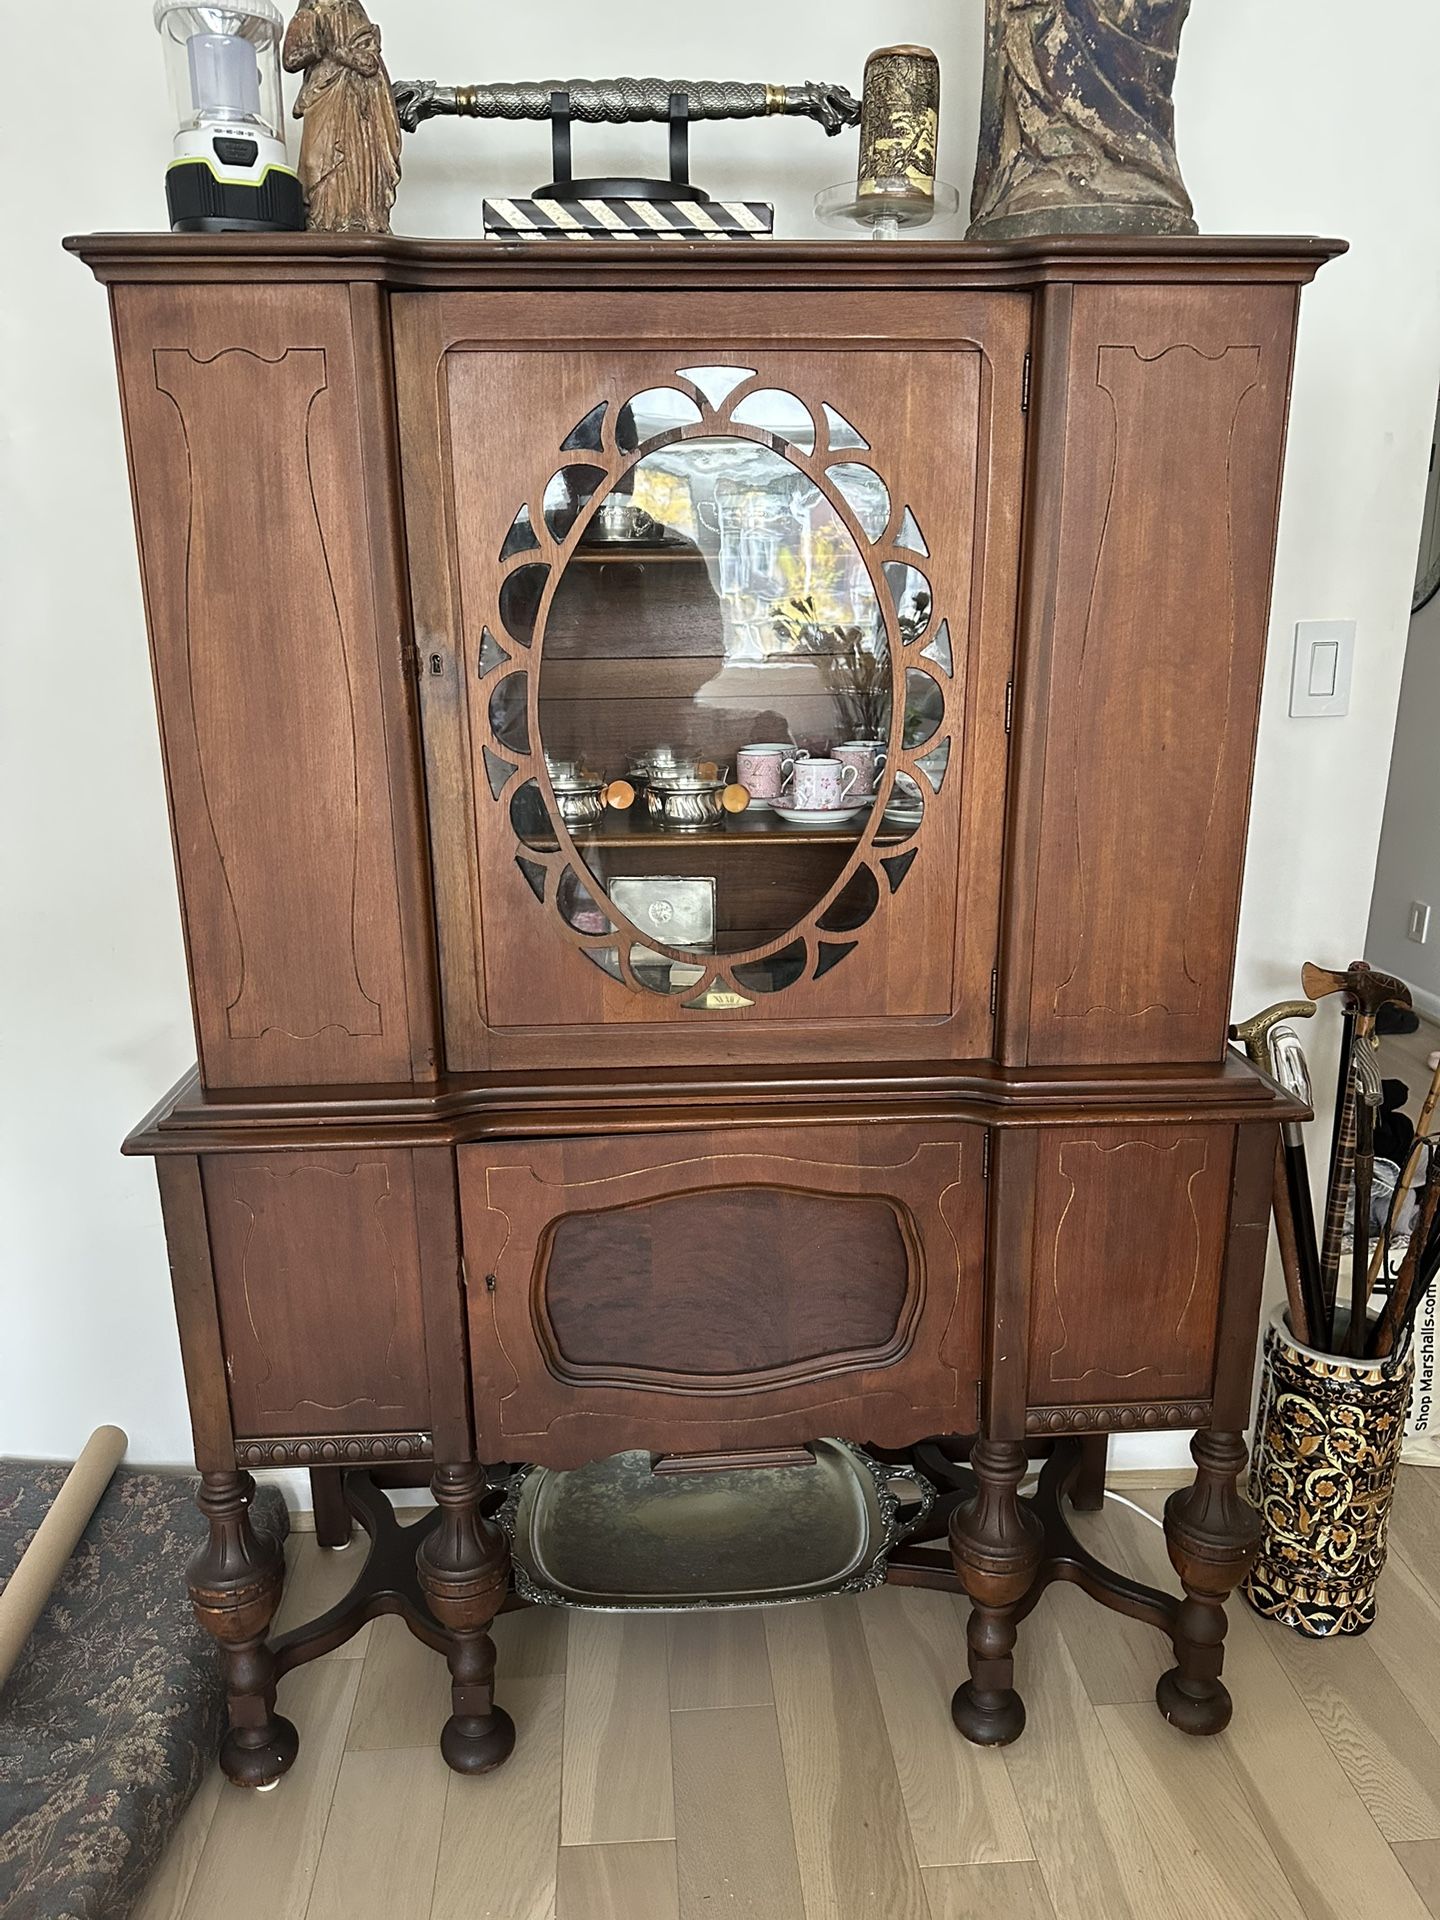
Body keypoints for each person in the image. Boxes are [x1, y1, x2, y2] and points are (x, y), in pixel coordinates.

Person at [282, 0, 402, 234]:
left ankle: (360, 217)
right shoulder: (310, 11)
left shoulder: (353, 8)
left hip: (361, 104)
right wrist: (319, 47)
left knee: (358, 158)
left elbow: (370, 59)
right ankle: (324, 219)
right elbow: (291, 59)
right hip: (325, 94)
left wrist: (344, 53)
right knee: (317, 161)